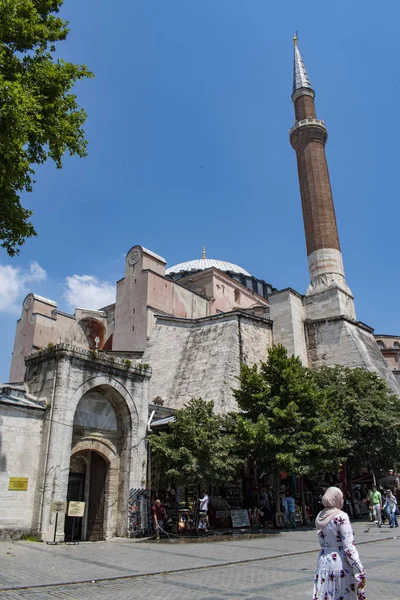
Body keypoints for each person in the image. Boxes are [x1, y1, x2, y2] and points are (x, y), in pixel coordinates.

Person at [313, 486, 365, 600]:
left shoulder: (319, 516)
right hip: (340, 563)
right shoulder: (341, 516)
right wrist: (358, 568)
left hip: (323, 561)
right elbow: (349, 546)